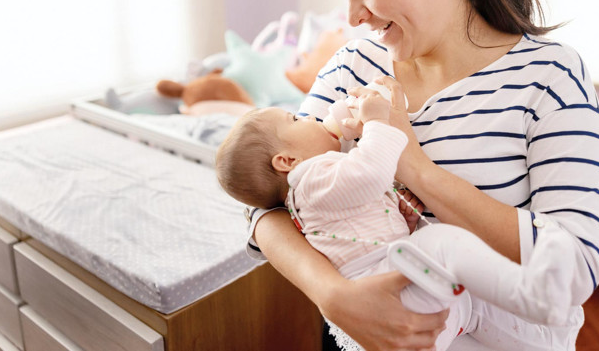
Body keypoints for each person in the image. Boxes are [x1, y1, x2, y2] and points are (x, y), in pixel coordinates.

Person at [248, 0, 599, 351]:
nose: (353, 15)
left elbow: (576, 266)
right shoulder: (353, 65)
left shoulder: (550, 76)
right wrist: (333, 296)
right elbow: (265, 199)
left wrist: (413, 165)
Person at [217, 92, 578, 351]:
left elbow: (361, 217)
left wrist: (400, 214)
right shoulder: (310, 178)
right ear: (286, 161)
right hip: (387, 286)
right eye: (295, 120)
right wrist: (377, 121)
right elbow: (371, 173)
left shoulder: (315, 189)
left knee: (475, 306)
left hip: (406, 293)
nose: (309, 117)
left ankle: (547, 326)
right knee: (442, 242)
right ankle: (531, 293)